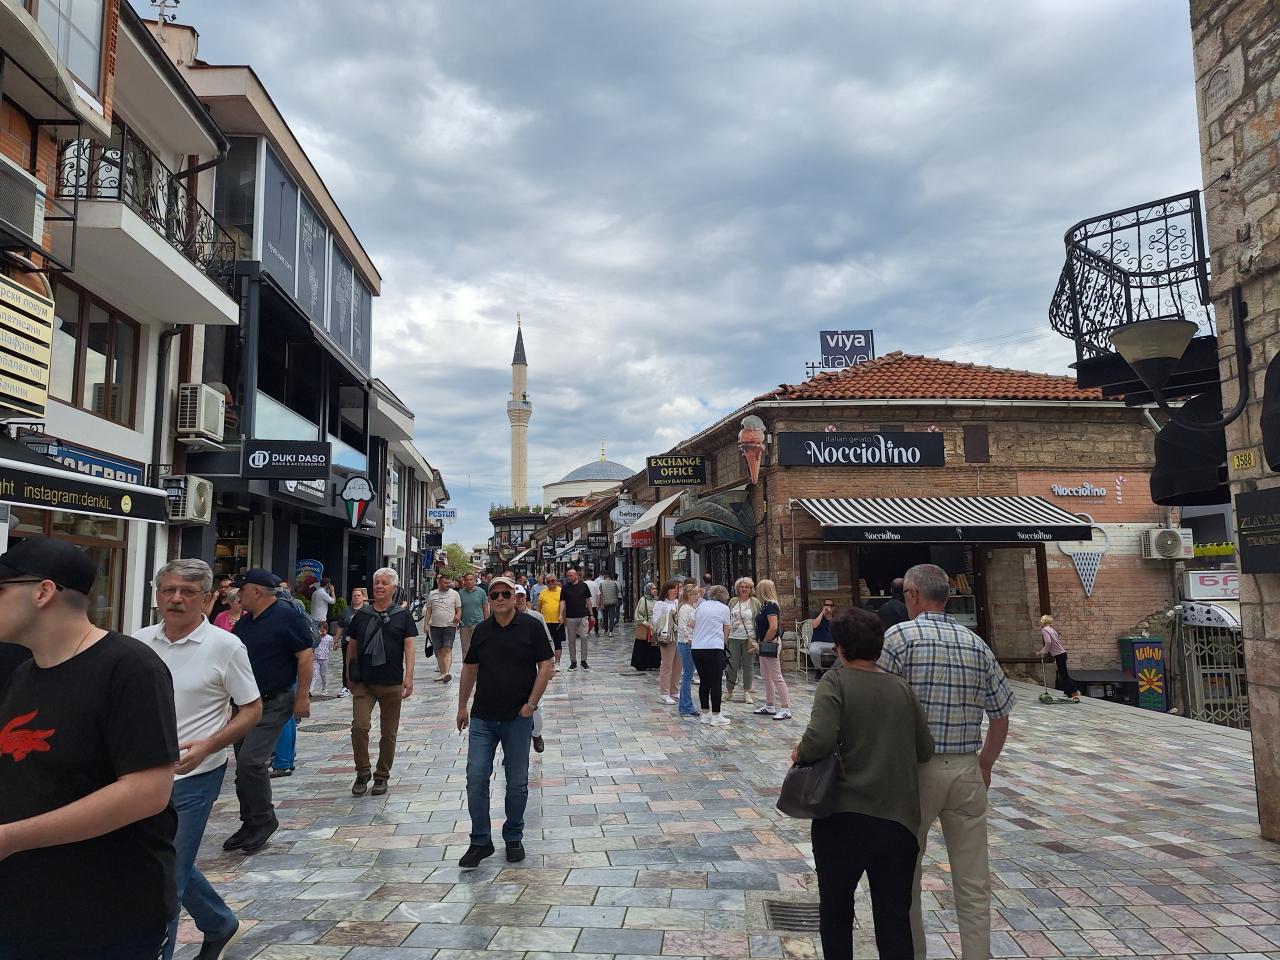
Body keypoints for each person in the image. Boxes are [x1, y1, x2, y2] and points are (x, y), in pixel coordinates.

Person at [0, 538, 179, 958]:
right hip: (22, 911)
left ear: (43, 592)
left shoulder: (130, 667)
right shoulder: (23, 673)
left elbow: (147, 792)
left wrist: (10, 838)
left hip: (105, 917)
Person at [879, 564, 1015, 960]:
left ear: (912, 596)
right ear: (948, 597)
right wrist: (985, 763)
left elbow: (879, 703)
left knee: (906, 875)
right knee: (973, 878)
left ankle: (914, 954)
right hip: (966, 768)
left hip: (915, 772)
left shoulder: (899, 638)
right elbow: (1001, 714)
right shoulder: (976, 644)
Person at [137, 559, 263, 960]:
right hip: (139, 777)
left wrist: (209, 745)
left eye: (188, 592)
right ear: (157, 595)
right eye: (168, 590)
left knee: (165, 880)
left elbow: (251, 709)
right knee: (161, 860)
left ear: (207, 599)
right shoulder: (138, 643)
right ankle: (221, 924)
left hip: (195, 776)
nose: (176, 599)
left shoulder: (226, 647)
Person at [795, 608, 935, 960]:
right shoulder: (900, 687)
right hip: (896, 819)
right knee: (894, 918)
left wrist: (799, 752)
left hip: (842, 815)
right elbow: (925, 748)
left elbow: (819, 739)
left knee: (836, 912)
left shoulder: (836, 681)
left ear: (840, 647)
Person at [456, 576, 555, 868]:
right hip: (483, 717)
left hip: (517, 718)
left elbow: (546, 666)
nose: (500, 598)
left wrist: (531, 705)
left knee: (517, 783)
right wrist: (461, 706)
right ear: (490, 599)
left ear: (515, 597)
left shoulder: (531, 627)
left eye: (505, 593)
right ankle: (480, 841)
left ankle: (513, 836)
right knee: (476, 777)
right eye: (495, 594)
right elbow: (470, 668)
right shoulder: (482, 630)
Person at [225, 568, 313, 853]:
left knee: (251, 762)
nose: (238, 594)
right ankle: (249, 821)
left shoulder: (287, 616)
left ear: (256, 591)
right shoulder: (247, 621)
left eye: (242, 589)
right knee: (243, 766)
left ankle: (264, 820)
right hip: (244, 702)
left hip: (274, 700)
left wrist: (302, 698)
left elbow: (305, 656)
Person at [345, 567, 418, 797]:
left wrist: (409, 677)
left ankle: (382, 775)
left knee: (389, 732)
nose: (379, 586)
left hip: (391, 681)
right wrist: (348, 676)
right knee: (359, 727)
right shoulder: (362, 614)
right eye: (376, 582)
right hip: (364, 681)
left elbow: (409, 646)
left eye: (384, 583)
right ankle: (362, 771)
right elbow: (352, 646)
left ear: (394, 587)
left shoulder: (402, 615)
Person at [514, 586, 551, 753]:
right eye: (516, 596)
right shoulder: (503, 619)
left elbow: (547, 641)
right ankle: (512, 748)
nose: (519, 599)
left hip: (534, 667)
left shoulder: (536, 617)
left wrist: (550, 664)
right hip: (512, 669)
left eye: (521, 596)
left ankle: (536, 734)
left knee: (536, 706)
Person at [691, 584, 732, 725]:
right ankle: (716, 715)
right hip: (713, 647)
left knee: (704, 682)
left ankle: (705, 714)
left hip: (697, 647)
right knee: (716, 682)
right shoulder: (724, 608)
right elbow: (726, 629)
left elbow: (694, 624)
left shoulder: (701, 606)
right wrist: (724, 644)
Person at [753, 579, 791, 720]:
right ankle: (769, 705)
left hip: (770, 642)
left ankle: (786, 707)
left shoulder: (771, 606)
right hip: (765, 643)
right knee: (765, 675)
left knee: (776, 675)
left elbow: (773, 627)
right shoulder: (764, 605)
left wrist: (764, 641)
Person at [726, 577, 760, 704]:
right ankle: (729, 691)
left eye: (747, 587)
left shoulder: (755, 602)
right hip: (734, 637)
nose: (744, 589)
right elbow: (727, 618)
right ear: (738, 588)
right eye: (742, 587)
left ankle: (747, 692)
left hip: (749, 638)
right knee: (732, 665)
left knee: (748, 666)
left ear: (751, 589)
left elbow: (758, 619)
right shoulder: (733, 601)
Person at [426, 572, 462, 683]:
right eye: (446, 583)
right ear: (439, 583)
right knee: (438, 650)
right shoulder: (432, 594)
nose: (448, 585)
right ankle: (443, 673)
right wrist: (426, 624)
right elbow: (429, 610)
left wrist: (458, 616)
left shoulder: (454, 594)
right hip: (435, 625)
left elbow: (459, 608)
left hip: (450, 625)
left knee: (447, 648)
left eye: (449, 582)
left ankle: (446, 673)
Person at [334, 586, 368, 698]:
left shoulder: (368, 610)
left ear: (363, 597)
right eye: (354, 596)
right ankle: (346, 685)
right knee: (347, 663)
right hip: (347, 641)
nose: (356, 598)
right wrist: (336, 640)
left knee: (364, 662)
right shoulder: (346, 611)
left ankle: (364, 683)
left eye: (358, 596)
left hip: (363, 642)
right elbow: (340, 626)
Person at [1037, 614, 1080, 701]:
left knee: (1064, 675)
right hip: (1062, 654)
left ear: (1042, 622)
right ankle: (1068, 693)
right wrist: (1041, 652)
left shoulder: (1044, 630)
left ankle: (1075, 692)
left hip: (1059, 655)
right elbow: (1052, 643)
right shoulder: (1052, 630)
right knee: (1063, 675)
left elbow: (1048, 642)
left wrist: (1044, 652)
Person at [675, 582, 701, 719]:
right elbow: (682, 627)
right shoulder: (685, 608)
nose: (697, 596)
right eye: (695, 594)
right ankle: (686, 705)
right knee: (688, 675)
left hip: (689, 643)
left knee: (688, 675)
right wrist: (690, 640)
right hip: (687, 644)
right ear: (688, 595)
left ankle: (685, 705)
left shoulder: (691, 607)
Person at [559, 567, 595, 670]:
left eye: (570, 576)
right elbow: (562, 601)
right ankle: (573, 661)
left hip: (583, 615)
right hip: (570, 617)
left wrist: (591, 614)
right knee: (571, 640)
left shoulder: (584, 586)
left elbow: (588, 600)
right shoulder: (565, 588)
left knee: (584, 637)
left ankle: (583, 660)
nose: (569, 577)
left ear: (576, 576)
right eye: (568, 576)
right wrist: (561, 614)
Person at [648, 579, 679, 693]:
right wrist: (669, 615)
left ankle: (674, 690)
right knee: (667, 664)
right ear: (667, 590)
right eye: (673, 588)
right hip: (667, 637)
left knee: (678, 665)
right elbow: (655, 621)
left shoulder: (678, 602)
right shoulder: (660, 604)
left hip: (679, 636)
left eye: (676, 588)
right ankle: (664, 691)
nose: (675, 590)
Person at [457, 572, 489, 660]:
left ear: (475, 580)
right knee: (465, 649)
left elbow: (485, 608)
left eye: (471, 579)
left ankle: (479, 666)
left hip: (478, 624)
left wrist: (486, 622)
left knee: (478, 647)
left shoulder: (481, 592)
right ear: (464, 581)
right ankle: (466, 666)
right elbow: (458, 608)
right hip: (464, 625)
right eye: (467, 580)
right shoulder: (460, 593)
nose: (469, 582)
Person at [537, 573, 564, 668]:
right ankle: (549, 661)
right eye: (548, 582)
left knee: (557, 643)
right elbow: (539, 607)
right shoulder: (543, 592)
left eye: (553, 581)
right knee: (546, 643)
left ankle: (557, 663)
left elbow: (565, 605)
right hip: (545, 622)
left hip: (558, 622)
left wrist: (563, 617)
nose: (551, 583)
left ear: (556, 581)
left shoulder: (561, 591)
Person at [632, 581, 658, 673]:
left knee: (654, 646)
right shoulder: (643, 600)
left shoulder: (657, 600)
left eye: (655, 589)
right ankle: (642, 664)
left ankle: (654, 664)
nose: (655, 590)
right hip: (646, 626)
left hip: (655, 626)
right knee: (644, 645)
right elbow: (638, 613)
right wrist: (643, 622)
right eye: (653, 589)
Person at [310, 621, 333, 697]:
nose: (322, 633)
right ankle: (310, 690)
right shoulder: (316, 638)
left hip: (324, 659)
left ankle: (324, 688)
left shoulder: (329, 638)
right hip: (315, 658)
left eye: (323, 631)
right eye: (320, 631)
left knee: (323, 675)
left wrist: (327, 652)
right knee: (314, 674)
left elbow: (330, 647)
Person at [599, 572, 622, 636]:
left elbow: (600, 594)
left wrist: (601, 604)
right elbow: (617, 592)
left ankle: (606, 630)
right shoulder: (614, 583)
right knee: (612, 616)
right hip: (613, 602)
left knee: (605, 616)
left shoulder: (601, 583)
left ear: (605, 576)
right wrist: (616, 600)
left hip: (605, 602)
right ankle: (611, 631)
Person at [587, 570, 603, 638]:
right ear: (592, 577)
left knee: (586, 619)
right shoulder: (595, 584)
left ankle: (586, 631)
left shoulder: (583, 584)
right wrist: (598, 604)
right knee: (595, 618)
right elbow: (598, 595)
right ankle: (596, 631)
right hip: (593, 604)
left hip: (585, 605)